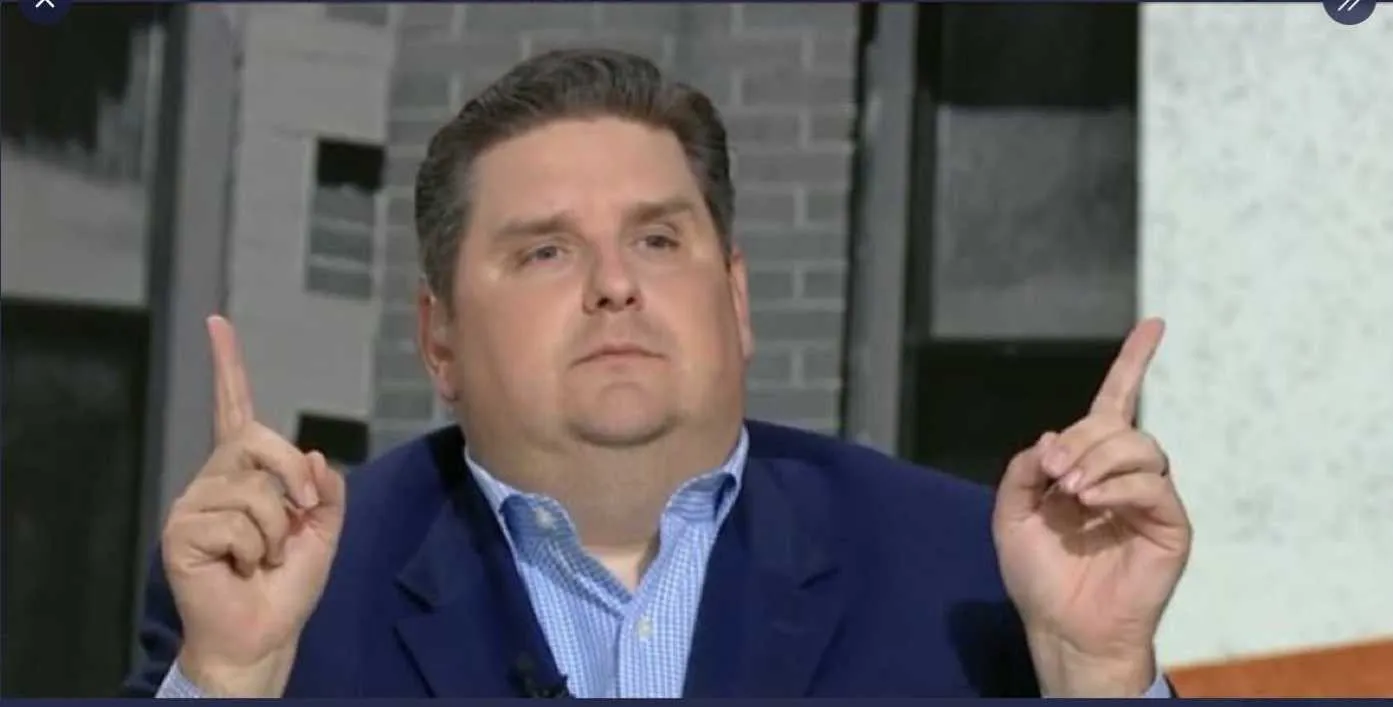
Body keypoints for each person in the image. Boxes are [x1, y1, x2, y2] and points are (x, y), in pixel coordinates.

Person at [123, 49, 1190, 699]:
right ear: (438, 338)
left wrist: (1093, 673)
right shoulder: (283, 592)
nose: (614, 285)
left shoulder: (970, 574)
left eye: (658, 239)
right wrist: (229, 680)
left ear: (736, 299)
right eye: (546, 250)